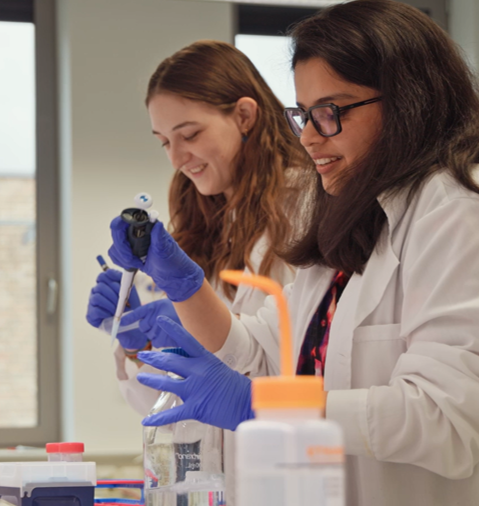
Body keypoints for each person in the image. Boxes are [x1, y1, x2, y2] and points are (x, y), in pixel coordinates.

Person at [106, 1, 479, 505]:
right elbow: (266, 348)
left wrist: (258, 405)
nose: (309, 137)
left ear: (410, 100)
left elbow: (449, 419)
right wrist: (186, 288)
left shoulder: (471, 213)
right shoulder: (365, 216)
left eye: (330, 113)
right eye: (303, 114)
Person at [85, 40, 310, 501]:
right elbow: (178, 411)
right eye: (166, 142)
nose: (176, 157)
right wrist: (140, 347)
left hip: (284, 473)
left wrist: (191, 308)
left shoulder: (308, 205)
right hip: (215, 483)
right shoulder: (207, 219)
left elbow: (281, 362)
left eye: (189, 135)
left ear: (244, 116)